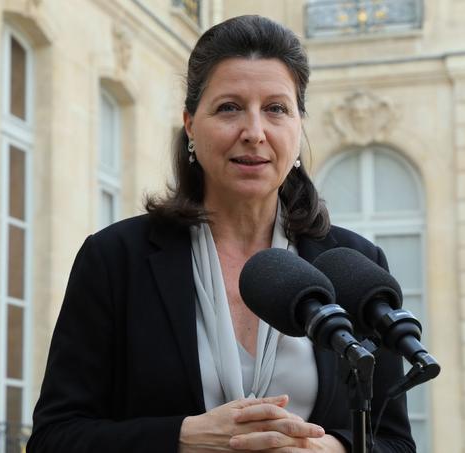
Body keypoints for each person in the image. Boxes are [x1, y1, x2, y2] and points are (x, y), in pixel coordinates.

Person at [28, 15, 415, 453]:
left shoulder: (356, 264)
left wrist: (335, 450)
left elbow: (396, 442)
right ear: (190, 125)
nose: (254, 133)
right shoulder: (115, 260)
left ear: (299, 125)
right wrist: (182, 438)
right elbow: (53, 439)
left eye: (276, 108)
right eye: (229, 107)